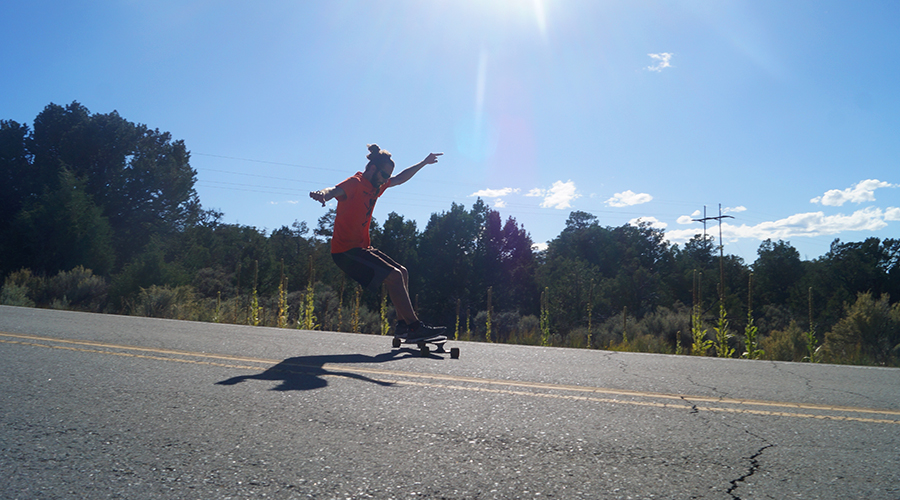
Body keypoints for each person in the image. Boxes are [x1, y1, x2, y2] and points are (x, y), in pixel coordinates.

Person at [309, 144, 445, 341]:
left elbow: (400, 179)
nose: (385, 180)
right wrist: (323, 194)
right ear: (372, 169)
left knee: (402, 272)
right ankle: (415, 328)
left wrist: (424, 163)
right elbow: (334, 190)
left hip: (361, 247)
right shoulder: (355, 183)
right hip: (345, 252)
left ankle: (402, 327)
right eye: (383, 175)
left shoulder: (376, 186)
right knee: (395, 276)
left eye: (386, 177)